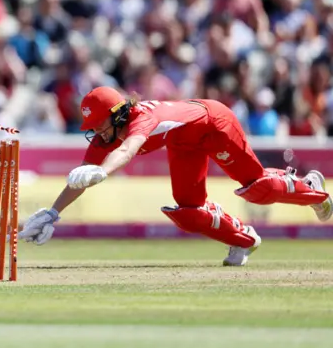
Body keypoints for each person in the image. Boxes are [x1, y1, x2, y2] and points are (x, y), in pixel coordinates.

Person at [19, 86, 332, 266]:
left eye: (100, 124)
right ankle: (245, 241)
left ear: (118, 115)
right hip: (184, 142)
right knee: (188, 211)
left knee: (258, 188)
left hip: (214, 125)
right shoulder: (107, 134)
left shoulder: (143, 119)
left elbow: (127, 153)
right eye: (93, 128)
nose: (97, 133)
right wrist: (52, 212)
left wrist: (101, 171)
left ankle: (312, 188)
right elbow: (79, 180)